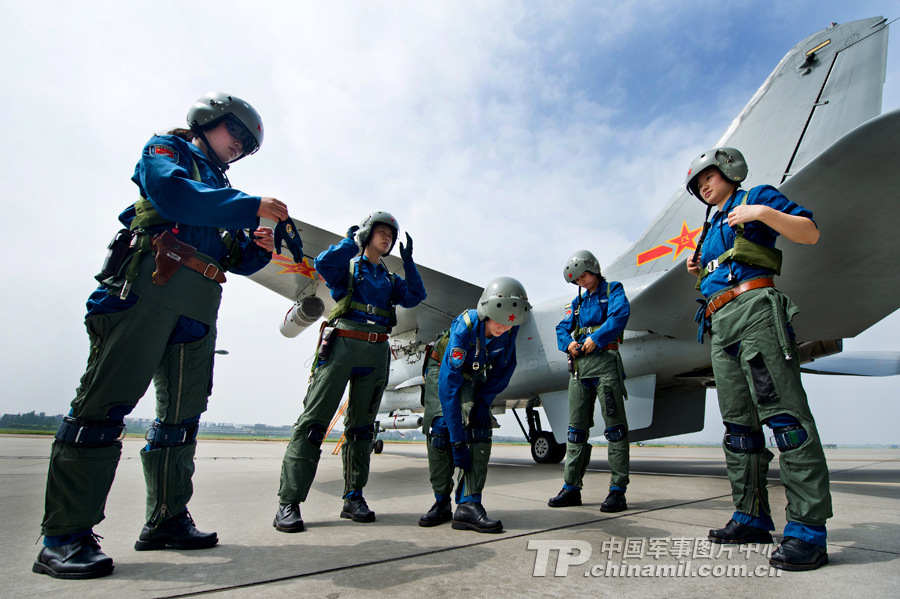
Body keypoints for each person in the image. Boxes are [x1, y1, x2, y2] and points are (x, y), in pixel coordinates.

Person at [34, 92, 290, 579]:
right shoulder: (168, 151)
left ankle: (166, 519)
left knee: (181, 417)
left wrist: (259, 243)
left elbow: (238, 261)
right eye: (235, 134)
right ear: (209, 120)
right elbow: (172, 196)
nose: (239, 147)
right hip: (151, 283)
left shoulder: (220, 188)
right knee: (102, 407)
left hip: (198, 302)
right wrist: (250, 206)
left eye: (247, 145)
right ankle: (63, 536)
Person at [685, 147, 831, 571]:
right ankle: (750, 516)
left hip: (755, 313)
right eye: (697, 185)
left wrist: (762, 214)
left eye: (708, 177)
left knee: (784, 419)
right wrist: (698, 268)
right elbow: (723, 264)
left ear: (728, 169)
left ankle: (807, 531)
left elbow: (809, 232)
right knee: (738, 427)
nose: (703, 187)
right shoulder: (710, 226)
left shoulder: (756, 199)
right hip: (719, 323)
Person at [274, 212, 426, 531]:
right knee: (314, 423)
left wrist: (409, 262)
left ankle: (353, 497)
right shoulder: (350, 267)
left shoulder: (389, 279)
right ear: (368, 234)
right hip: (344, 342)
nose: (387, 238)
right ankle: (289, 503)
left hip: (376, 349)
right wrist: (349, 243)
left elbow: (416, 296)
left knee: (361, 429)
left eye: (391, 236)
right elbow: (323, 266)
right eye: (381, 232)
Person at [418, 277, 530, 533]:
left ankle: (468, 504)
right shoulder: (465, 328)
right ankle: (441, 501)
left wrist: (483, 402)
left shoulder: (510, 327)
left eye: (510, 322)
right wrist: (457, 441)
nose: (504, 328)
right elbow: (449, 386)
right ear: (486, 313)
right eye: (499, 322)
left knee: (480, 427)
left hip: (477, 374)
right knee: (441, 428)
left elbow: (504, 371)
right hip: (442, 371)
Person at [548, 251, 631, 512]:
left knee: (615, 428)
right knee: (575, 431)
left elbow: (619, 316)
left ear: (594, 269)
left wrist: (599, 337)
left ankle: (617, 491)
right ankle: (571, 487)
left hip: (605, 364)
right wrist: (569, 343)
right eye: (576, 280)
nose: (581, 282)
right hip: (580, 370)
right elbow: (561, 328)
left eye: (583, 276)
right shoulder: (577, 303)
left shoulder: (613, 290)